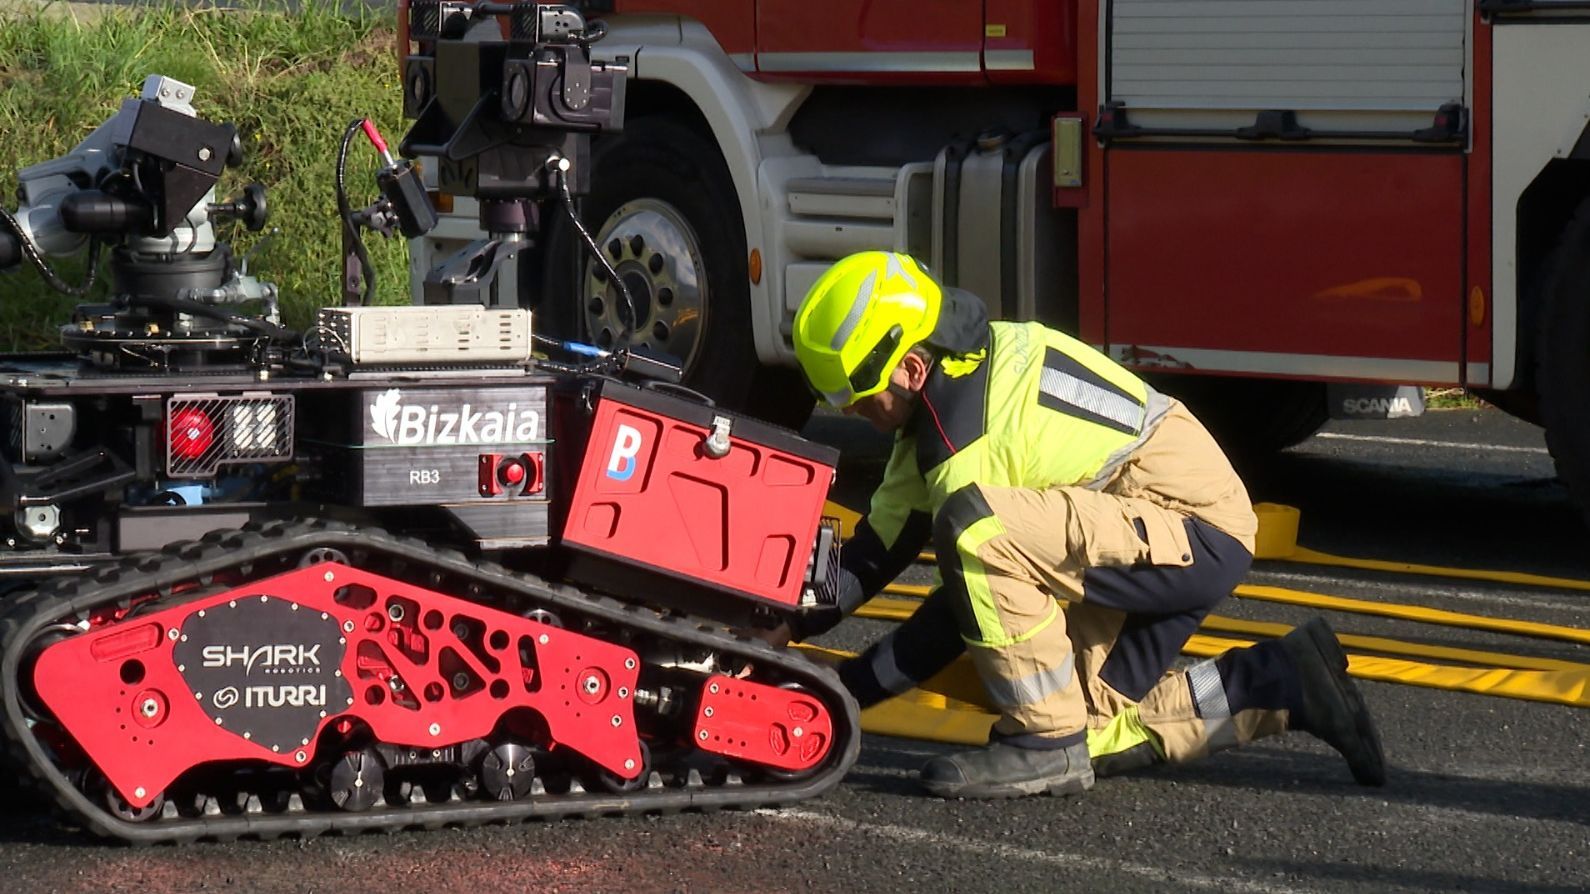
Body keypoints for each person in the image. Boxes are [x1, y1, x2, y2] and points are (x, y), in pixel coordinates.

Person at [786, 251, 1385, 799]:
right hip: (1146, 527)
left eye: (862, 400)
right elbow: (875, 551)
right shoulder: (955, 388)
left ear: (913, 369)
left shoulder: (971, 443)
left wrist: (852, 689)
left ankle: (1044, 743)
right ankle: (1282, 682)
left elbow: (958, 610)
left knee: (974, 533)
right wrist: (771, 624)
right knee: (1100, 733)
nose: (858, 417)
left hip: (1189, 529)